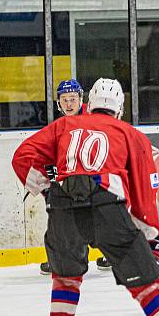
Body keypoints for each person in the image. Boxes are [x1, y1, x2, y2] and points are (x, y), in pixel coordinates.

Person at [11, 78, 159, 316]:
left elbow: (21, 157)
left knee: (66, 278)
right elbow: (143, 195)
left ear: (90, 102)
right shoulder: (131, 134)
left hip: (63, 208)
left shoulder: (64, 126)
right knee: (145, 283)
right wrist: (153, 238)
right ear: (119, 107)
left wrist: (47, 188)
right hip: (106, 207)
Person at [41, 79, 112, 275]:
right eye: (65, 100)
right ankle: (58, 260)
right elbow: (49, 160)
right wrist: (52, 186)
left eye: (73, 99)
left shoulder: (92, 122)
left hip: (93, 181)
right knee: (59, 221)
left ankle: (111, 254)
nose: (69, 104)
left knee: (103, 218)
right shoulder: (56, 128)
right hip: (68, 185)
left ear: (81, 99)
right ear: (58, 103)